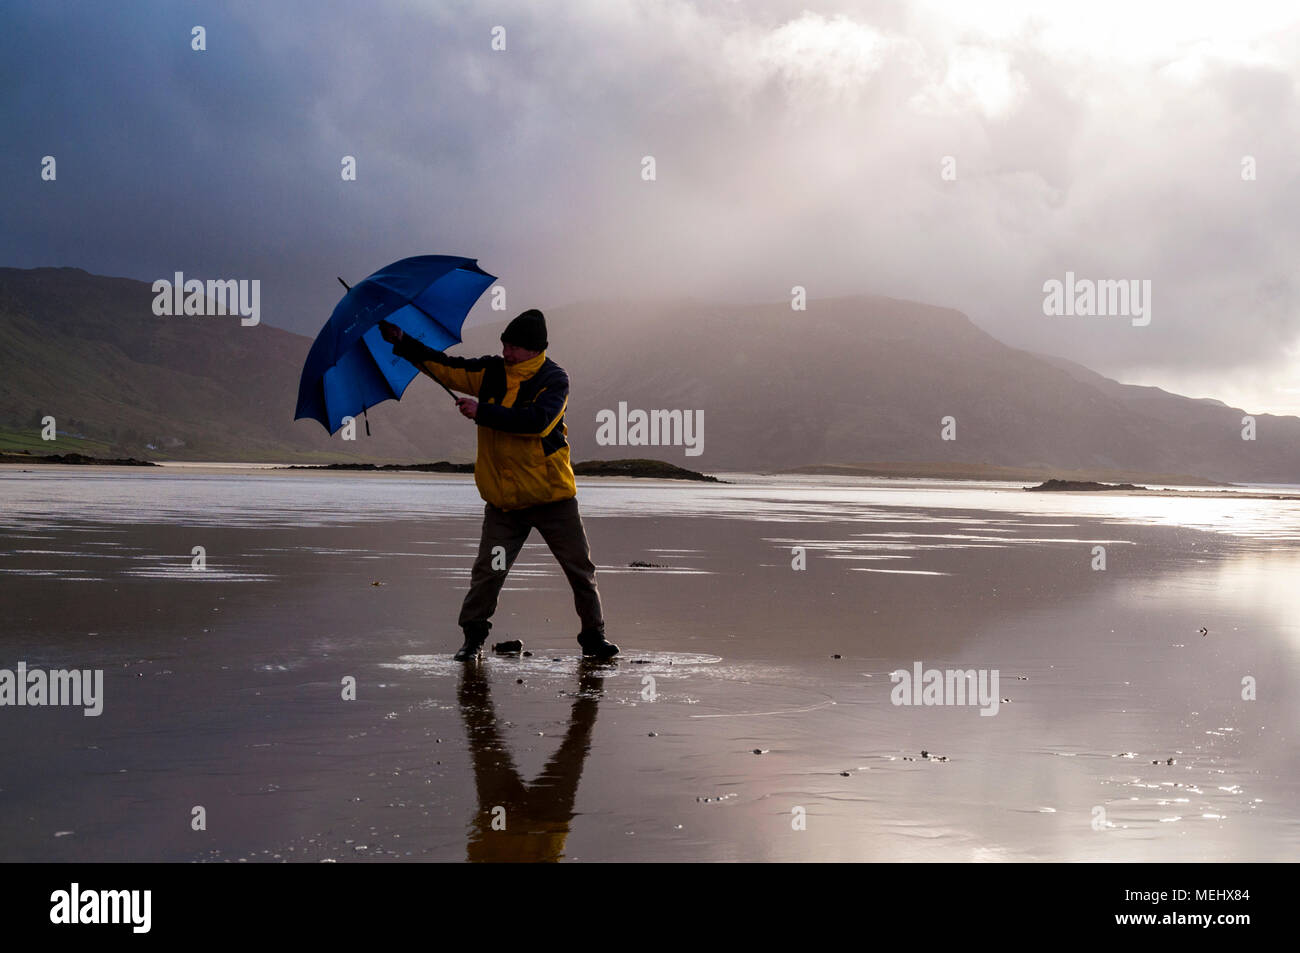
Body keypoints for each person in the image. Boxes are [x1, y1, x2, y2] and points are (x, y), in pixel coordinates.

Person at [378, 310, 618, 661]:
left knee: (580, 571)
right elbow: (446, 368)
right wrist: (404, 342)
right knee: (488, 572)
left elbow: (538, 422)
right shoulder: (491, 371)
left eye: (515, 347)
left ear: (537, 349)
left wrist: (483, 412)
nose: (507, 352)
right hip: (503, 504)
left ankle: (593, 638)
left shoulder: (555, 379)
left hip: (553, 499)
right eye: (505, 344)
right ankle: (473, 639)